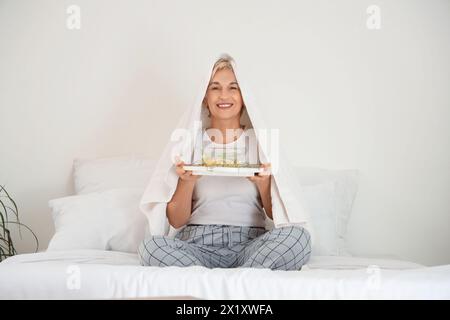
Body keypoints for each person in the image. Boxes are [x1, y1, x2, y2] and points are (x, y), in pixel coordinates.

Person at [138, 56, 311, 270]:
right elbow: (176, 221)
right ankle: (241, 282)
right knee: (151, 247)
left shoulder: (261, 142)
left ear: (244, 96)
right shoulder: (189, 142)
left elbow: (277, 215)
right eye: (215, 88)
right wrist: (187, 181)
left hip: (250, 244)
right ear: (205, 97)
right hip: (197, 245)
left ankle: (215, 282)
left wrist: (263, 184)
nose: (224, 95)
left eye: (233, 88)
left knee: (298, 238)